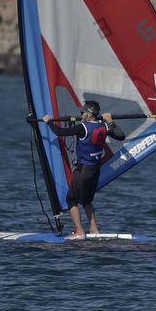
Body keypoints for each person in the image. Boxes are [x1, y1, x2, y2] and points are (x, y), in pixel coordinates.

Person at [41, 98, 126, 240]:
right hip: (95, 171)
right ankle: (94, 229)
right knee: (86, 200)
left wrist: (49, 121)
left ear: (89, 114)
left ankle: (80, 232)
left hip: (84, 170)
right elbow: (121, 135)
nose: (81, 114)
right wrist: (110, 121)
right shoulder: (104, 126)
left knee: (71, 199)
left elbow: (60, 132)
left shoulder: (82, 127)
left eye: (83, 112)